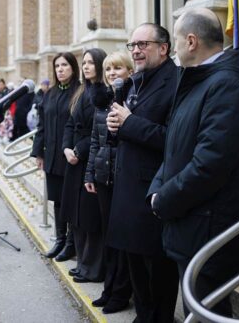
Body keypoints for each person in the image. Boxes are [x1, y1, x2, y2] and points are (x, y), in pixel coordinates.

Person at [147, 8, 239, 317]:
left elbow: (210, 164)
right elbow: (175, 147)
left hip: (208, 228)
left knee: (206, 311)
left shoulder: (226, 85)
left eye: (173, 40)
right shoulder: (200, 81)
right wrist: (157, 189)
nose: (172, 49)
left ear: (190, 41)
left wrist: (165, 199)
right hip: (191, 224)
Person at [106, 23, 179, 322]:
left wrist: (129, 122)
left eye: (143, 44)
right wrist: (116, 127)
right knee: (134, 261)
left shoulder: (175, 83)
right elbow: (128, 126)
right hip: (127, 187)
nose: (135, 50)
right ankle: (143, 315)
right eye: (132, 45)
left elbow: (174, 140)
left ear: (163, 48)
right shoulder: (136, 81)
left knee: (156, 268)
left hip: (152, 189)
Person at [84, 52, 134, 313]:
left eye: (117, 68)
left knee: (123, 237)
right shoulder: (102, 102)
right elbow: (95, 141)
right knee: (109, 236)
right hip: (103, 176)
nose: (112, 73)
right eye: (108, 69)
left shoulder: (134, 98)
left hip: (125, 176)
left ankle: (121, 293)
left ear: (129, 70)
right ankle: (110, 288)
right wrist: (90, 174)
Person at [61, 48, 107, 285]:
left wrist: (78, 150)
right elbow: (70, 122)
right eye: (84, 62)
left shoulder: (104, 93)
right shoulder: (81, 91)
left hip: (89, 158)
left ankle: (93, 268)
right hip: (73, 160)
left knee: (90, 218)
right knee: (75, 217)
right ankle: (82, 263)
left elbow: (99, 131)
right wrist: (67, 148)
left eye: (91, 62)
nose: (86, 66)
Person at [30, 52, 80, 261]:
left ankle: (71, 243)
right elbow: (41, 126)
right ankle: (60, 239)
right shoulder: (49, 93)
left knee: (70, 201)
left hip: (70, 155)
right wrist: (38, 152)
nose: (60, 69)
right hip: (51, 155)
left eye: (65, 65)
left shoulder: (79, 91)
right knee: (57, 200)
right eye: (57, 66)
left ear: (73, 68)